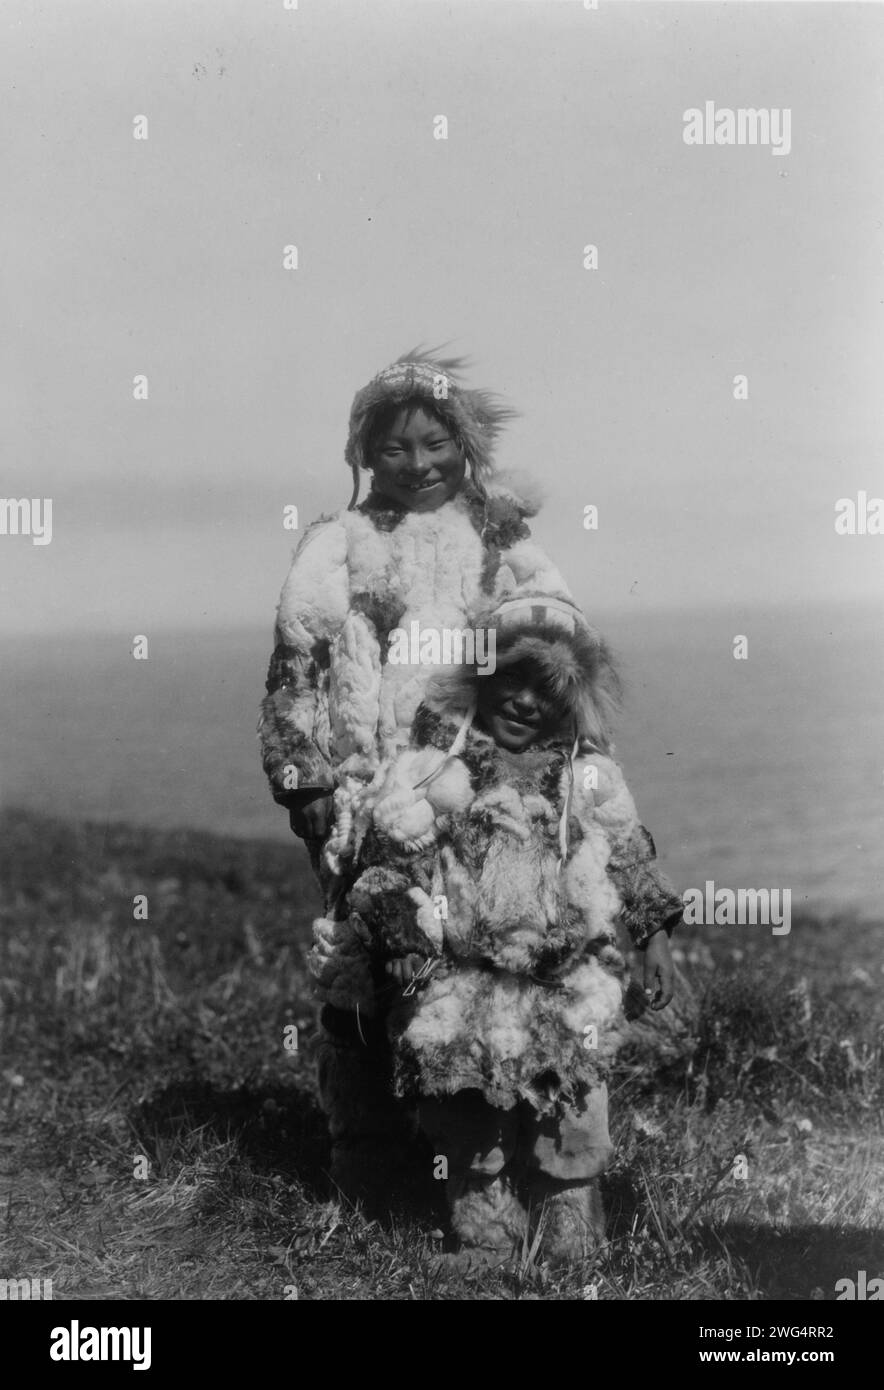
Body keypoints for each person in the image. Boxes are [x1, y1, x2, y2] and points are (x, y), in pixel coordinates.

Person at [259, 350, 572, 1200]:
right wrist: (305, 780)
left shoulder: (501, 546)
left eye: (436, 443)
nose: (418, 463)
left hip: (470, 795)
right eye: (394, 447)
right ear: (364, 453)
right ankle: (367, 1158)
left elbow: (550, 663)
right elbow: (295, 670)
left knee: (467, 968)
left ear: (466, 445)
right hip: (361, 798)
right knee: (360, 968)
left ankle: (481, 1164)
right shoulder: (337, 545)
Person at [308, 596, 683, 1264]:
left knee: (570, 1113)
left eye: (548, 691)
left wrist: (653, 938)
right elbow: (393, 865)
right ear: (479, 680)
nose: (525, 703)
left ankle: (571, 1246)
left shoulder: (587, 779)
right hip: (465, 985)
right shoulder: (434, 773)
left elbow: (628, 856)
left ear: (573, 702)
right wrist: (404, 939)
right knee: (470, 1125)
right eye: (511, 681)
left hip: (565, 984)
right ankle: (487, 1243)